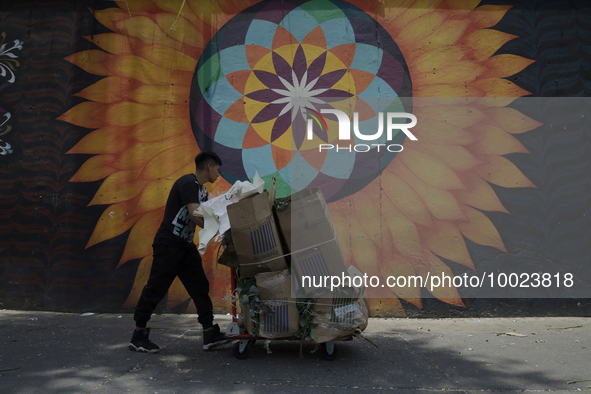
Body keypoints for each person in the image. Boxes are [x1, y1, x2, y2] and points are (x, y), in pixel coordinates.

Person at [128, 151, 228, 353]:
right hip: (169, 245)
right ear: (209, 166)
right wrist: (220, 229)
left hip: (185, 246)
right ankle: (138, 335)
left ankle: (209, 333)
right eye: (217, 169)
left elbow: (202, 219)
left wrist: (220, 229)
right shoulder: (188, 183)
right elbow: (194, 215)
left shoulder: (202, 192)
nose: (218, 174)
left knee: (200, 286)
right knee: (155, 288)